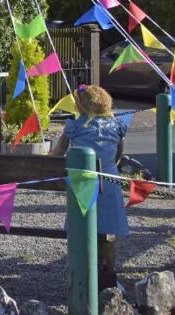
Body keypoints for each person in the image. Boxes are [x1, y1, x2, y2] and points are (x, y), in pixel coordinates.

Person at [50, 84, 128, 290]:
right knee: (109, 233)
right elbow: (118, 155)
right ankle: (109, 278)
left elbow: (57, 153)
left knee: (81, 230)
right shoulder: (117, 125)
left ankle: (82, 274)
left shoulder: (74, 127)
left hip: (83, 182)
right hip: (110, 182)